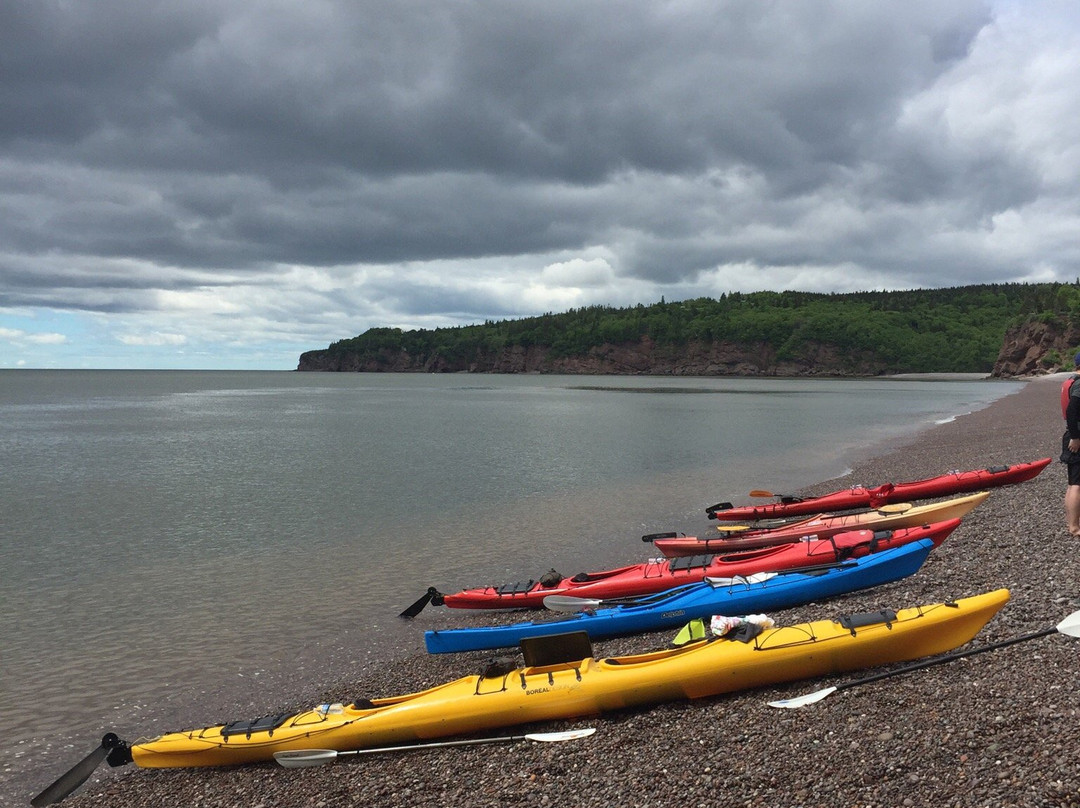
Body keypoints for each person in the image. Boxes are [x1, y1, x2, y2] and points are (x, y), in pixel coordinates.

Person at [1061, 351, 1080, 535]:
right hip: (1076, 437)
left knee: (1072, 482)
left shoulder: (1072, 381)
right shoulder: (1079, 384)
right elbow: (1072, 410)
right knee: (1077, 484)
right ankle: (1074, 527)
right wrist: (1075, 437)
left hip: (1072, 435)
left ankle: (1072, 524)